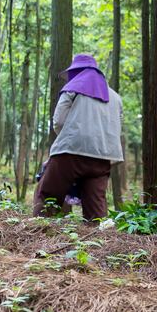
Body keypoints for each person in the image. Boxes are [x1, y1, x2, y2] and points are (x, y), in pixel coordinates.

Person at [33, 54, 124, 221]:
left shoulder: (72, 89)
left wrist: (71, 138)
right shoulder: (116, 97)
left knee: (47, 196)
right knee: (95, 208)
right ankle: (97, 242)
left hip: (70, 153)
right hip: (103, 158)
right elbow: (117, 128)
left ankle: (38, 234)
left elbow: (59, 121)